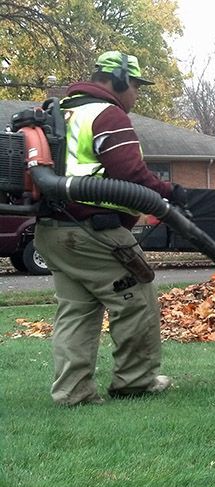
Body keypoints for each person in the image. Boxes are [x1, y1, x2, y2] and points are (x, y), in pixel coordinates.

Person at [33, 51, 186, 406]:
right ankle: (135, 381)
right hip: (94, 232)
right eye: (136, 86)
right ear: (119, 80)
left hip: (53, 231)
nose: (136, 94)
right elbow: (130, 174)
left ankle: (72, 392)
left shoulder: (60, 113)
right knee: (137, 301)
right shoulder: (107, 114)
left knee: (76, 310)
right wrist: (170, 192)